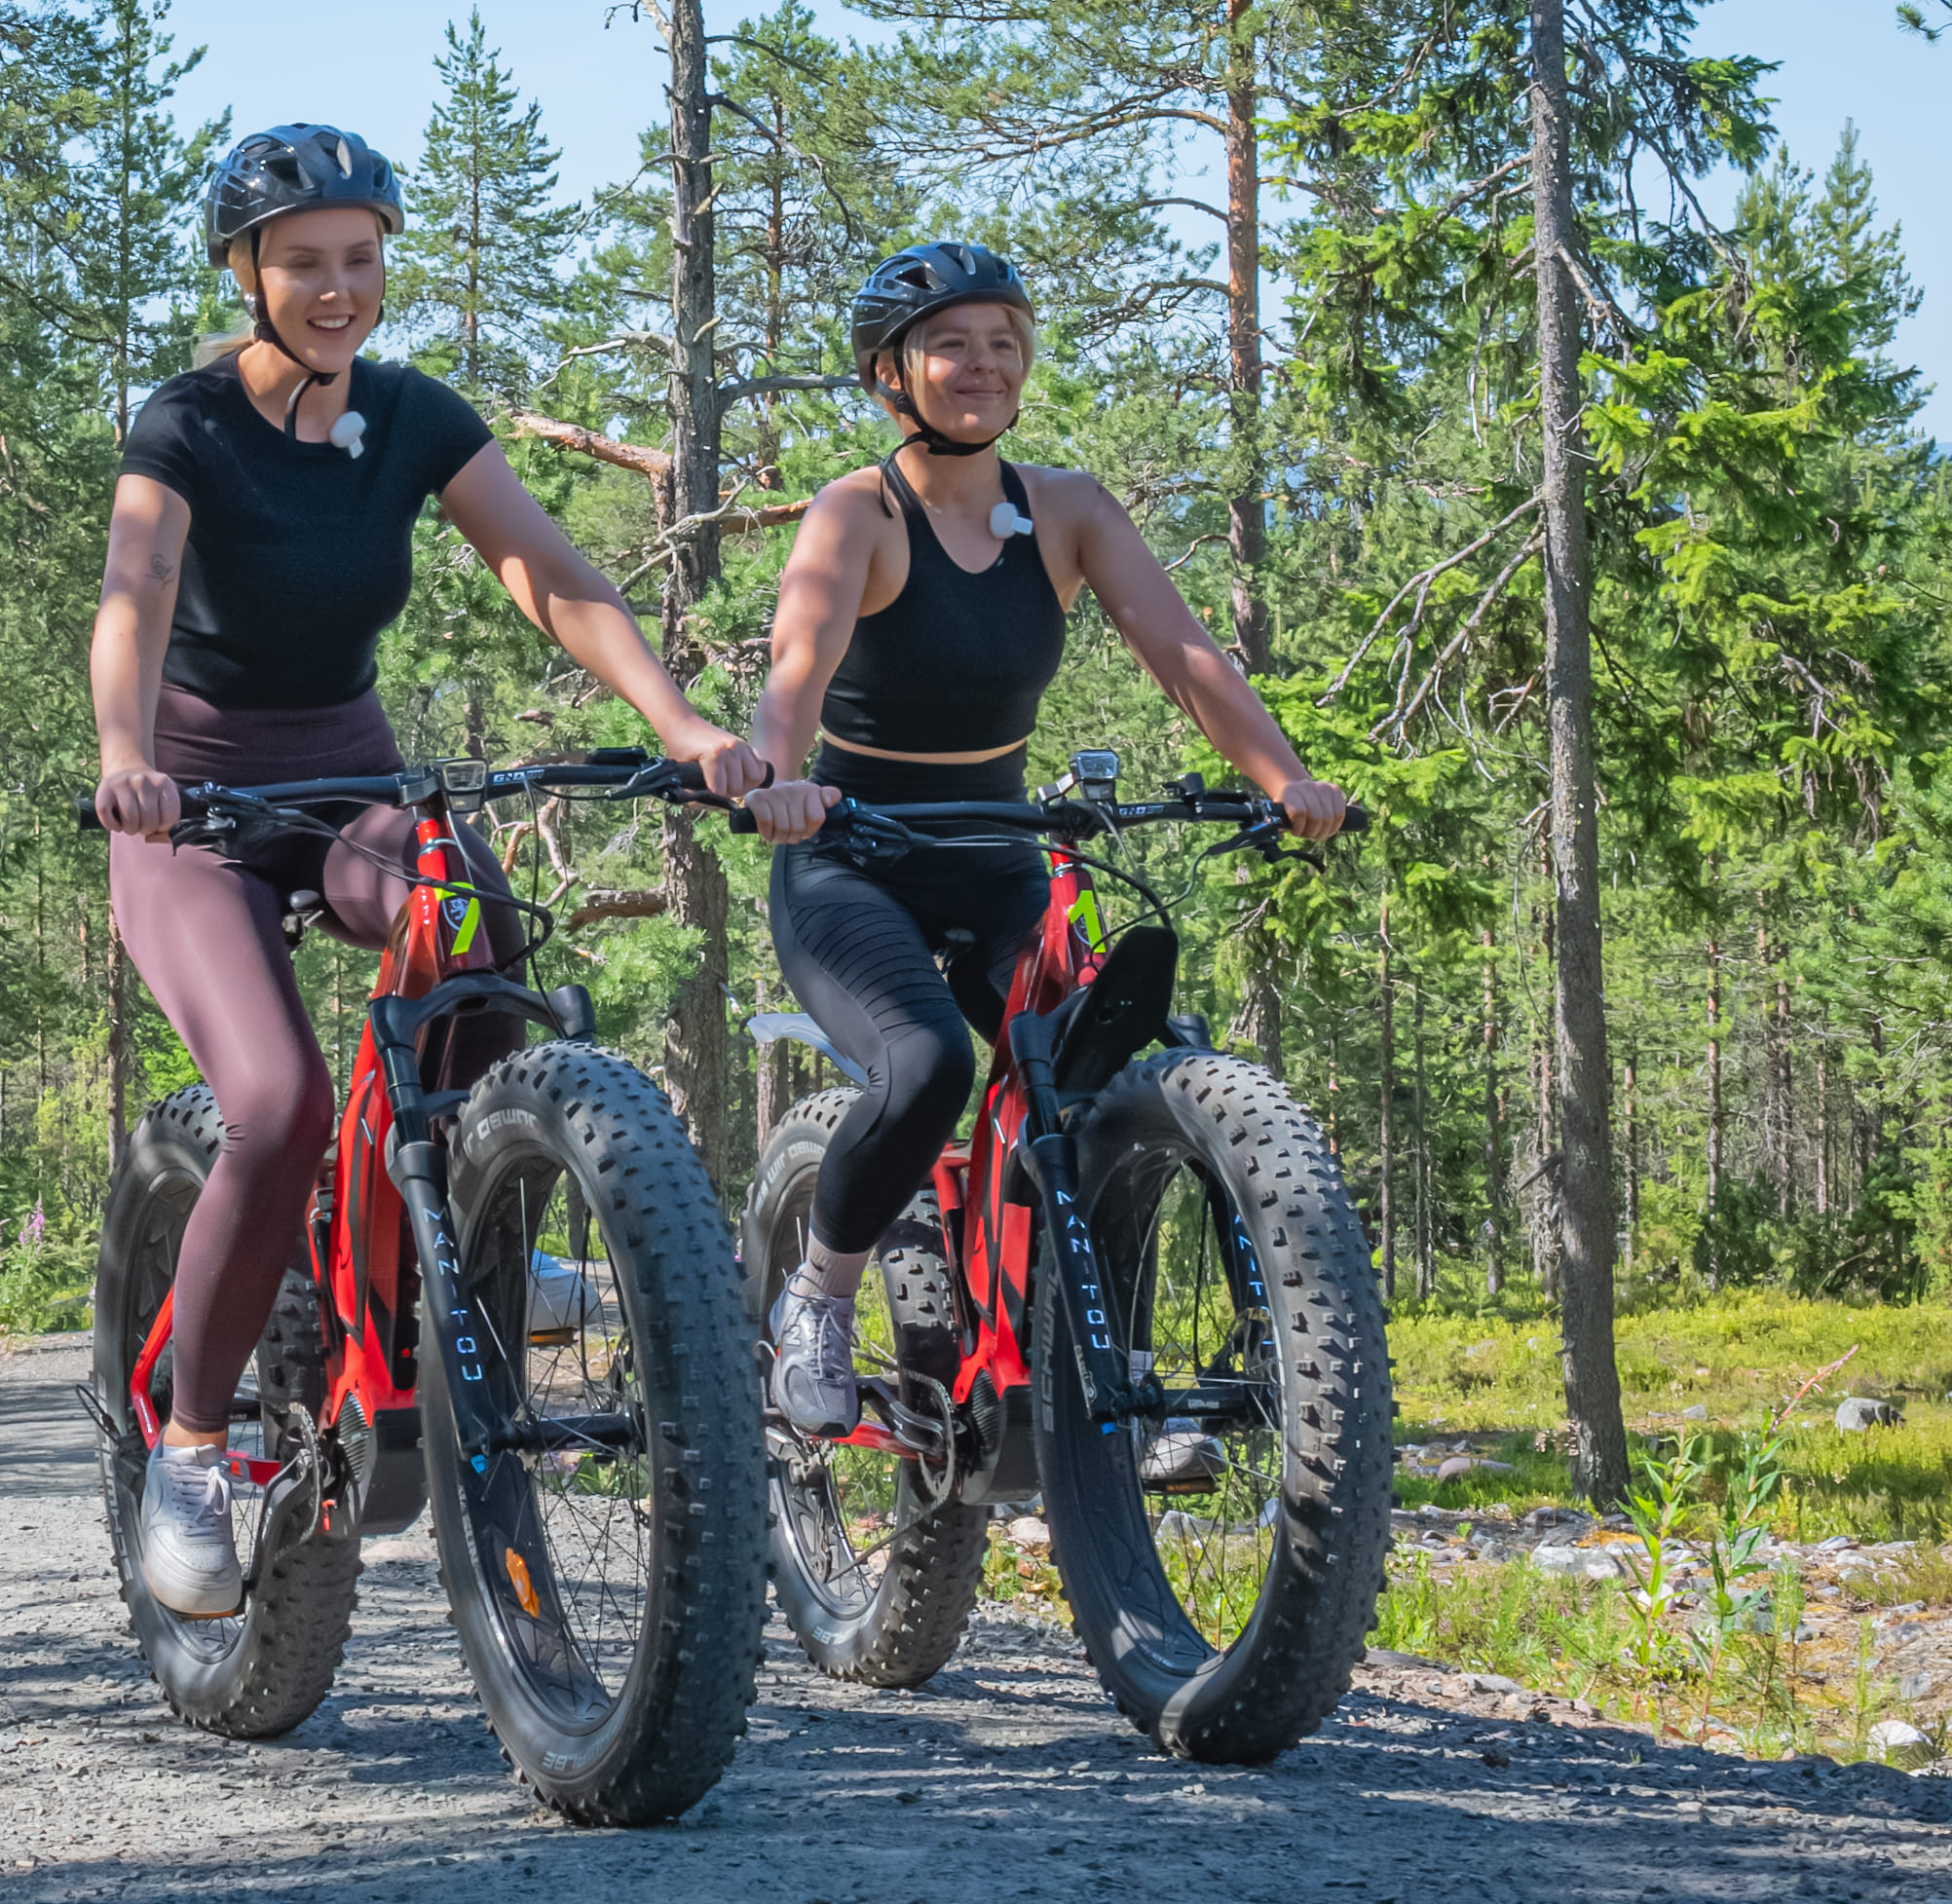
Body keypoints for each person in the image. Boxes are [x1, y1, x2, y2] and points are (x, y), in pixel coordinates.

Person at [93, 121, 766, 1612]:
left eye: (360, 260)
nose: (338, 288)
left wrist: (680, 719)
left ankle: (467, 1252)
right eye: (304, 263)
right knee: (272, 1100)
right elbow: (137, 584)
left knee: (474, 929)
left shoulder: (406, 417)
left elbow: (552, 573)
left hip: (342, 773)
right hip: (189, 799)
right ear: (248, 272)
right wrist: (121, 753)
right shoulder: (185, 421)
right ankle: (193, 1448)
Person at [736, 241, 1346, 1437]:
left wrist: (1283, 777)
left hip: (996, 851)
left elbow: (1186, 655)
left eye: (1005, 341)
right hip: (852, 859)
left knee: (1127, 1057)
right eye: (953, 344)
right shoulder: (857, 511)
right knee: (927, 1065)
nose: (984, 364)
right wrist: (780, 779)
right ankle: (820, 1291)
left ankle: (1103, 1362)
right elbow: (794, 667)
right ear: (888, 374)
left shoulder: (1065, 509)